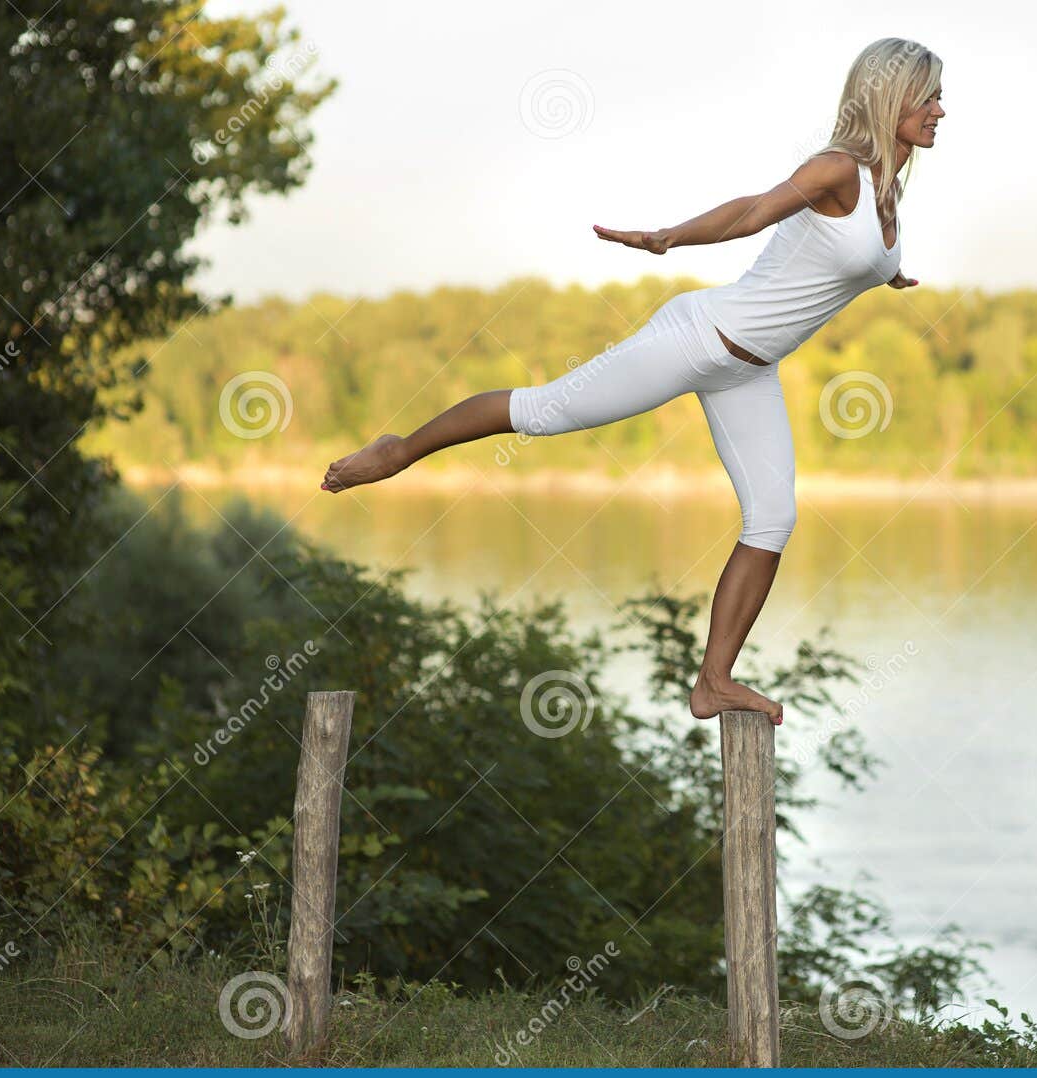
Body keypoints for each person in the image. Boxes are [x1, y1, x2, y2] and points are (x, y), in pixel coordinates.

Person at [323, 37, 944, 726]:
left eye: (939, 96)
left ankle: (714, 681)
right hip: (698, 337)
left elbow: (853, 257)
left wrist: (889, 273)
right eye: (929, 96)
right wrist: (667, 237)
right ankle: (399, 449)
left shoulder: (888, 195)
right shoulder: (838, 169)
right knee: (542, 411)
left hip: (749, 370)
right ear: (888, 99)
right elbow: (749, 212)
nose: (940, 110)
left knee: (773, 518)